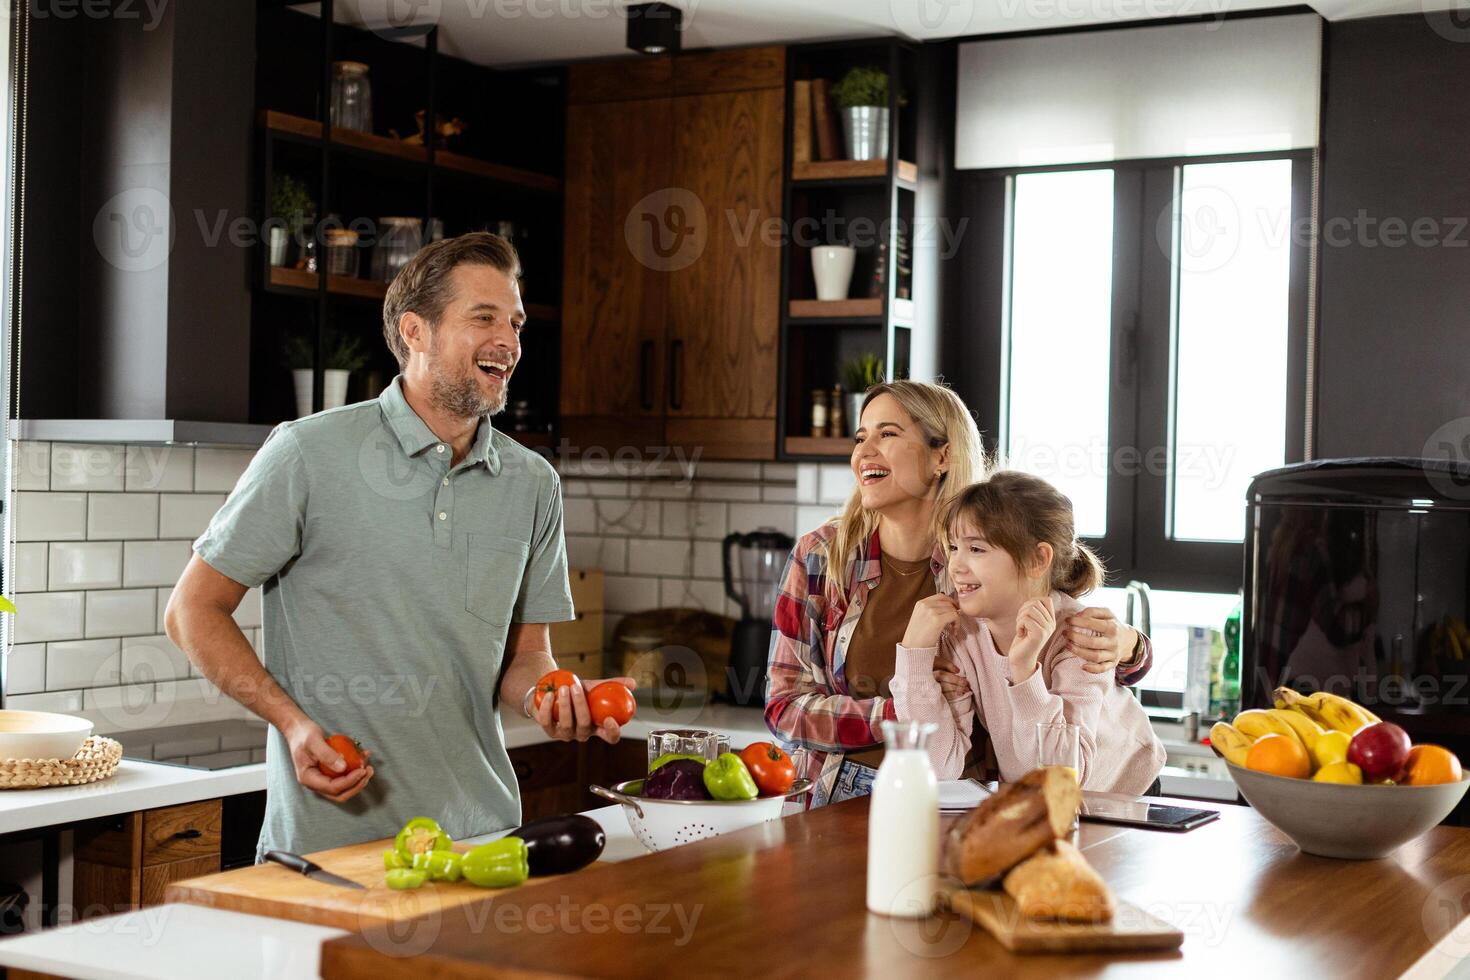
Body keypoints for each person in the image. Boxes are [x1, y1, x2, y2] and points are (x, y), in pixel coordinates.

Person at [165, 232, 633, 858]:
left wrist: (552, 700)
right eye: (484, 318)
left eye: (516, 323)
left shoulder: (532, 482)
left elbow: (525, 660)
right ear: (416, 331)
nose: (509, 342)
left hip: (482, 837)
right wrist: (293, 724)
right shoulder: (308, 453)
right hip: (331, 845)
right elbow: (191, 610)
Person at [764, 381, 1153, 807]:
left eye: (887, 434)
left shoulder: (984, 553)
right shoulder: (821, 556)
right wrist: (901, 712)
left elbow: (1062, 628)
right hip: (836, 792)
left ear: (942, 455)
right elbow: (784, 707)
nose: (864, 452)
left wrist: (1131, 647)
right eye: (861, 437)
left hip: (966, 800)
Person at [890, 472, 1166, 796]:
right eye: (953, 547)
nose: (956, 565)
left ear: (1038, 560)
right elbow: (938, 769)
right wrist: (914, 656)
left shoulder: (1077, 636)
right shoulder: (958, 633)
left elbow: (1062, 776)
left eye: (976, 549)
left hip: (1121, 793)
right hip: (1039, 797)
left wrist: (1023, 674)